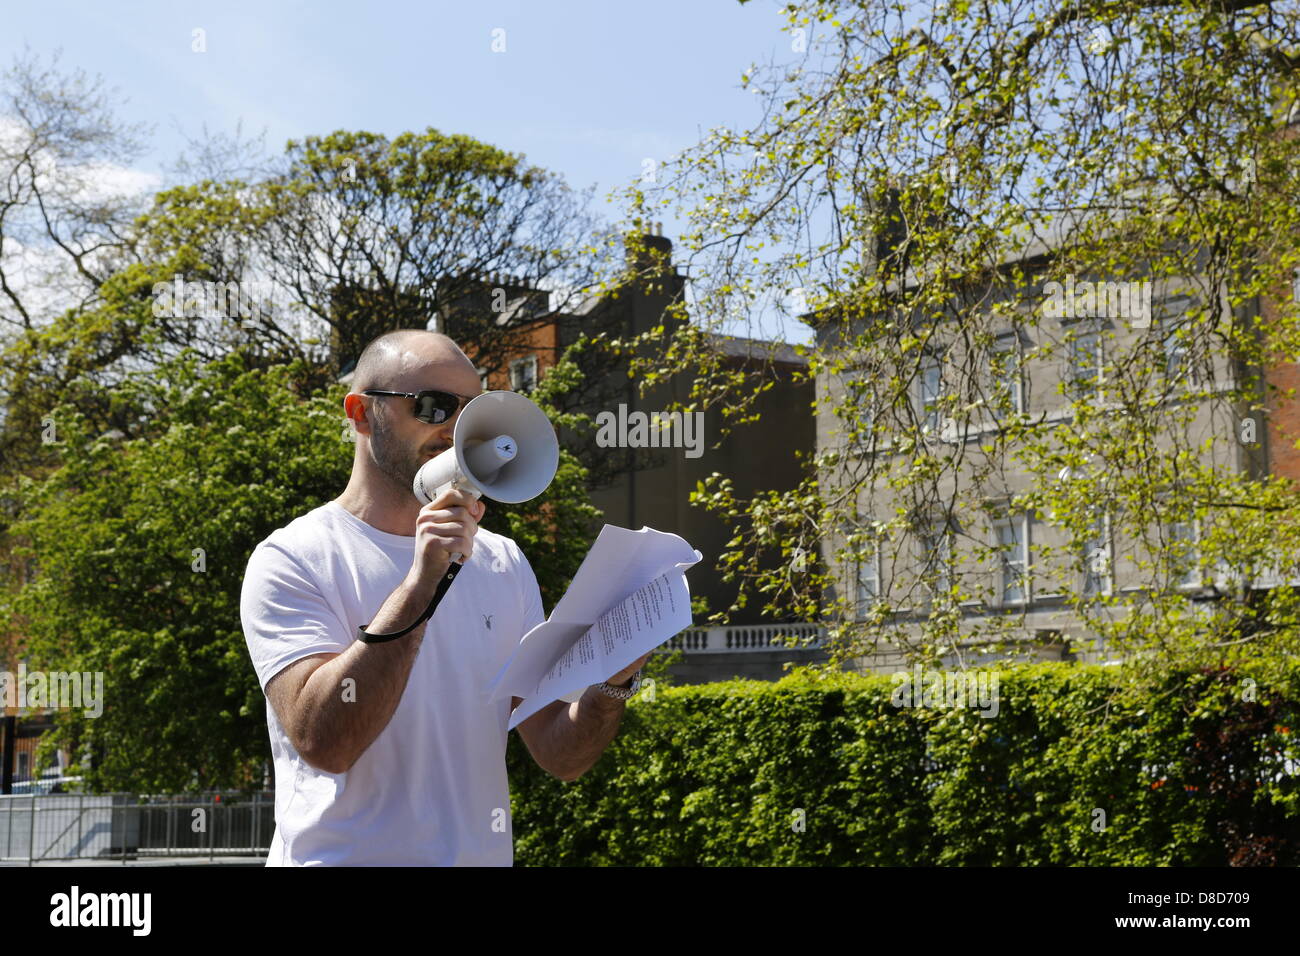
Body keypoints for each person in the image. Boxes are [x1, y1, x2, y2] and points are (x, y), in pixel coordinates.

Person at [240, 329, 650, 866]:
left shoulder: (502, 562)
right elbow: (326, 743)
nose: (457, 429)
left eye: (472, 410)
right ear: (361, 413)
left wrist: (615, 677)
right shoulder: (293, 557)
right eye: (433, 406)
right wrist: (420, 583)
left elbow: (558, 753)